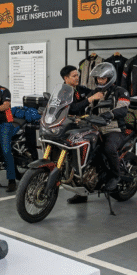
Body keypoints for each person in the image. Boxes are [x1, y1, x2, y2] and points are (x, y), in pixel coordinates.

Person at [66, 62, 130, 203]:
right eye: (98, 79)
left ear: (110, 78)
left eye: (103, 79)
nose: (100, 81)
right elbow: (81, 106)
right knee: (82, 154)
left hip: (113, 129)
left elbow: (123, 109)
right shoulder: (95, 92)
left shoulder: (121, 91)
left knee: (108, 148)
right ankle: (82, 192)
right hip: (95, 128)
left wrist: (110, 114)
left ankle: (115, 176)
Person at [60, 64, 95, 204]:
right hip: (68, 127)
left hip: (82, 126)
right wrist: (89, 100)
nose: (77, 78)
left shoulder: (80, 89)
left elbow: (91, 92)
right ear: (66, 78)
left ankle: (84, 189)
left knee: (83, 157)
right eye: (74, 76)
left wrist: (96, 94)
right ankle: (79, 191)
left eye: (78, 75)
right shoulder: (62, 92)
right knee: (73, 159)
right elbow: (72, 108)